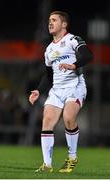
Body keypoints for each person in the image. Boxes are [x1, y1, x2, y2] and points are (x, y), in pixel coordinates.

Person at [29, 11, 93, 173]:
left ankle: (72, 157)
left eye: (54, 20)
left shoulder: (72, 40)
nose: (50, 23)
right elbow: (49, 75)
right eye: (49, 20)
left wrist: (75, 65)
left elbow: (87, 54)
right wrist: (38, 90)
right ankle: (47, 165)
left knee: (69, 118)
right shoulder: (49, 49)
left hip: (75, 86)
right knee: (47, 122)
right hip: (57, 90)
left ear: (64, 24)